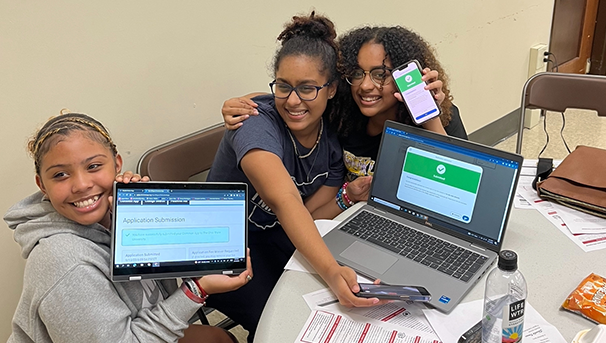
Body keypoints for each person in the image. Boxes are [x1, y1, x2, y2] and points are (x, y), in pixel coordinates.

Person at [205, 12, 384, 342]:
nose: (292, 100)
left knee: (332, 303)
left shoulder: (331, 137)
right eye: (283, 86)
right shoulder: (254, 123)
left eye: (307, 89)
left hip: (276, 236)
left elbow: (312, 213)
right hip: (221, 247)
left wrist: (348, 196)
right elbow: (284, 200)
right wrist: (330, 271)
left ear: (331, 90)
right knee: (284, 325)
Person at [4, 112, 253, 343]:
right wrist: (196, 290)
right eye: (60, 175)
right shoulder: (62, 262)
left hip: (142, 326)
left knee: (220, 339)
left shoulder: (115, 214)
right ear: (42, 185)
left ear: (117, 164)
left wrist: (147, 216)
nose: (81, 185)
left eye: (93, 166)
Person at [222, 25, 468, 182]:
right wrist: (246, 103)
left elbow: (461, 184)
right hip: (349, 218)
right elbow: (295, 97)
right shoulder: (342, 112)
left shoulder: (442, 118)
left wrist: (429, 120)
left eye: (380, 74)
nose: (365, 86)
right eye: (357, 72)